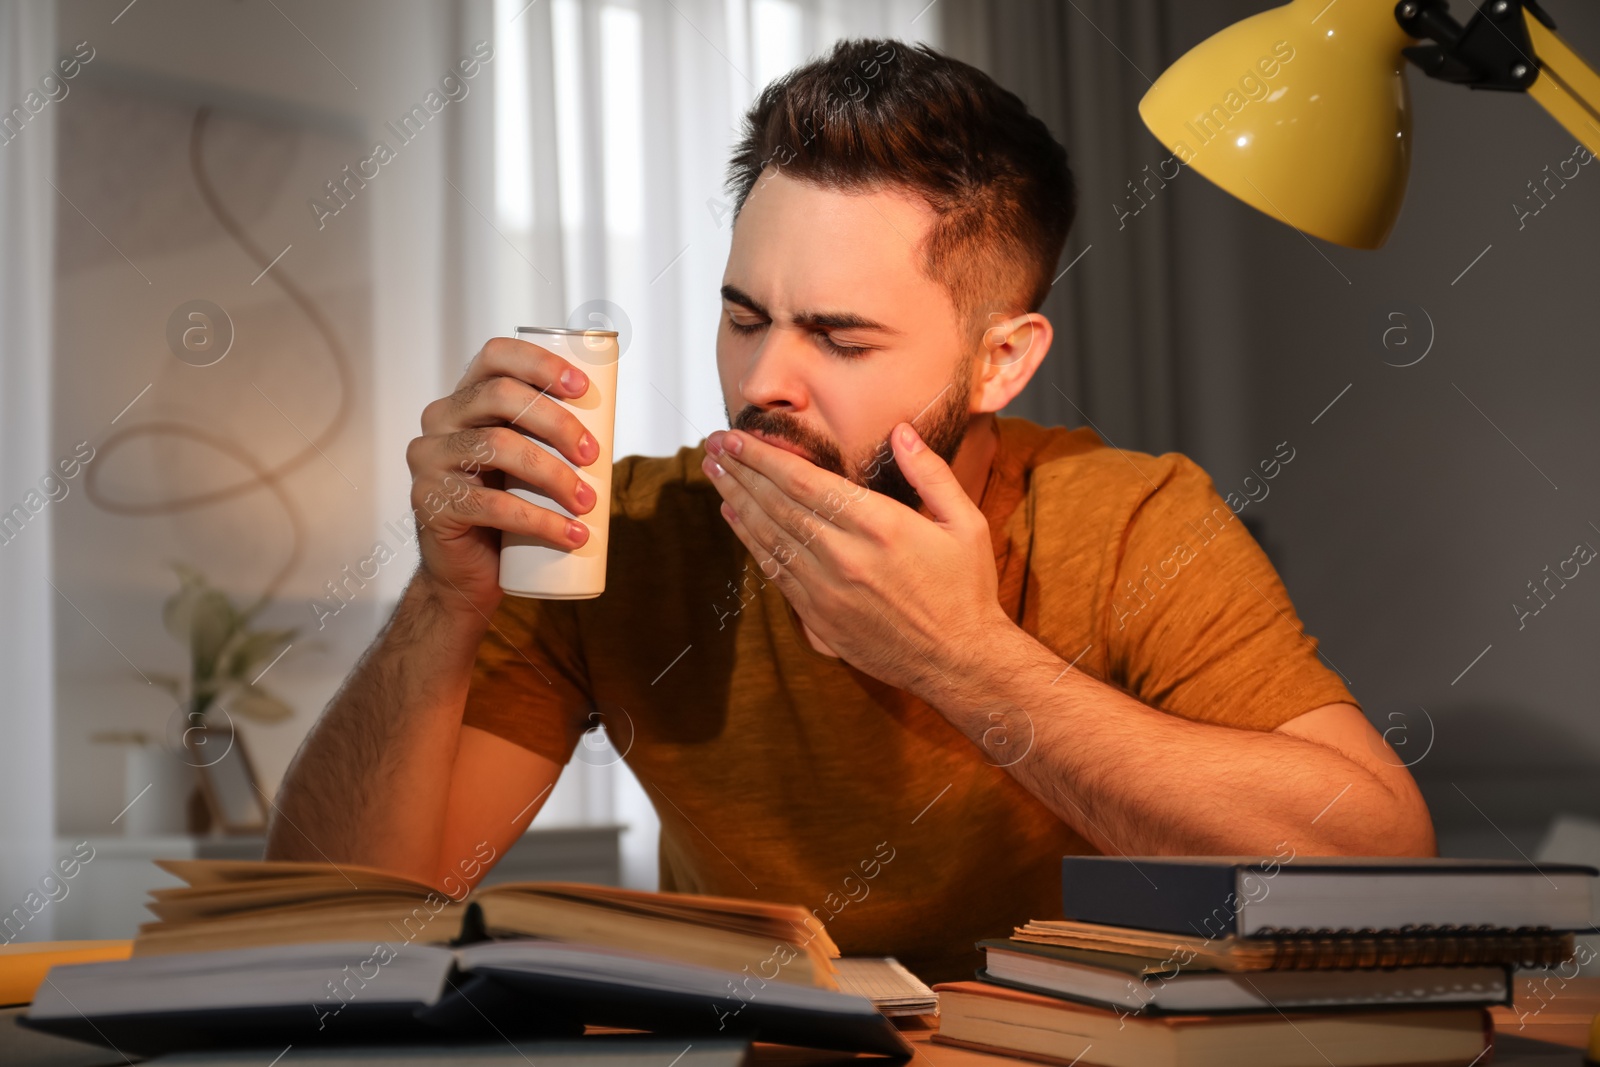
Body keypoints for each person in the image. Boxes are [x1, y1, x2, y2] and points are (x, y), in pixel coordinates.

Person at [267, 39, 1435, 984]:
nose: (764, 377)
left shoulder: (1130, 520)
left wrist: (966, 660)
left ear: (999, 361)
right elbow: (335, 924)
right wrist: (442, 596)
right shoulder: (621, 535)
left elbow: (1375, 855)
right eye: (742, 315)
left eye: (838, 335)